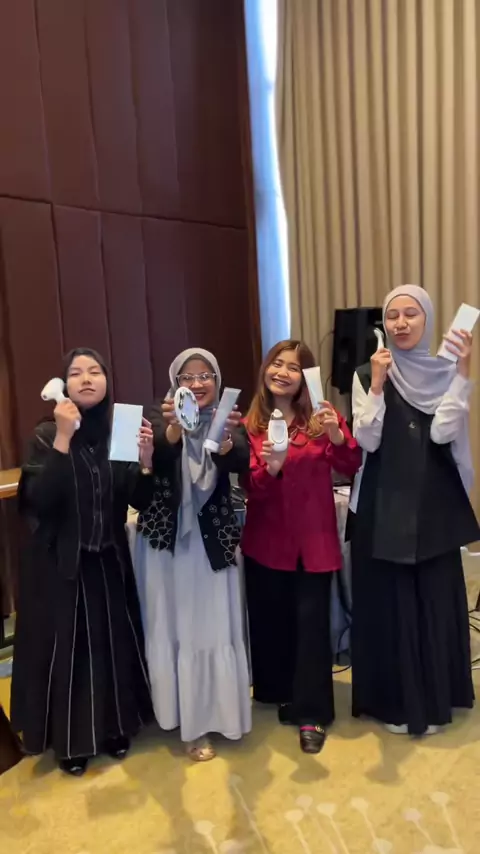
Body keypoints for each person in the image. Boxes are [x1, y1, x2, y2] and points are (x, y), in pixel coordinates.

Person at [10, 348, 154, 776]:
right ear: (64, 385)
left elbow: (136, 499)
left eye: (95, 371)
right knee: (70, 652)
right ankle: (72, 742)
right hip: (62, 563)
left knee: (112, 645)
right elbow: (39, 501)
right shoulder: (46, 432)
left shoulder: (120, 429)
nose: (86, 378)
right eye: (76, 373)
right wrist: (62, 437)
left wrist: (146, 464)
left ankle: (115, 728)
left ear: (107, 382)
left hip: (109, 559)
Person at [350, 285, 479, 736]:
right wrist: (378, 385)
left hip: (432, 502)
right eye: (393, 315)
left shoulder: (445, 370)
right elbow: (367, 440)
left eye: (411, 314)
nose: (401, 323)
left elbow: (444, 434)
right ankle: (395, 703)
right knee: (392, 606)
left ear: (427, 319)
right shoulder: (367, 373)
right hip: (383, 503)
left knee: (432, 602)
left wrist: (462, 375)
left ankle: (436, 699)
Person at [240, 339, 361, 754]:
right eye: (277, 363)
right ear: (266, 369)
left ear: (305, 377)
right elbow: (250, 486)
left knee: (311, 628)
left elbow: (350, 465)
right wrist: (271, 469)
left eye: (294, 367)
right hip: (266, 540)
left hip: (313, 540)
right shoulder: (251, 426)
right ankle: (280, 692)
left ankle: (312, 714)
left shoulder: (322, 419)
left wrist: (337, 436)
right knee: (273, 622)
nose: (283, 373)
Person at [134, 348, 252, 762]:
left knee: (213, 627)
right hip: (168, 543)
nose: (197, 383)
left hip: (212, 540)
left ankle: (222, 714)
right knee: (177, 628)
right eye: (188, 376)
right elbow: (149, 464)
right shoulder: (157, 414)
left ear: (217, 381)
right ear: (175, 382)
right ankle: (187, 722)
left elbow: (242, 459)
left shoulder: (225, 417)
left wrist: (223, 442)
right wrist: (173, 431)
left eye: (206, 376)